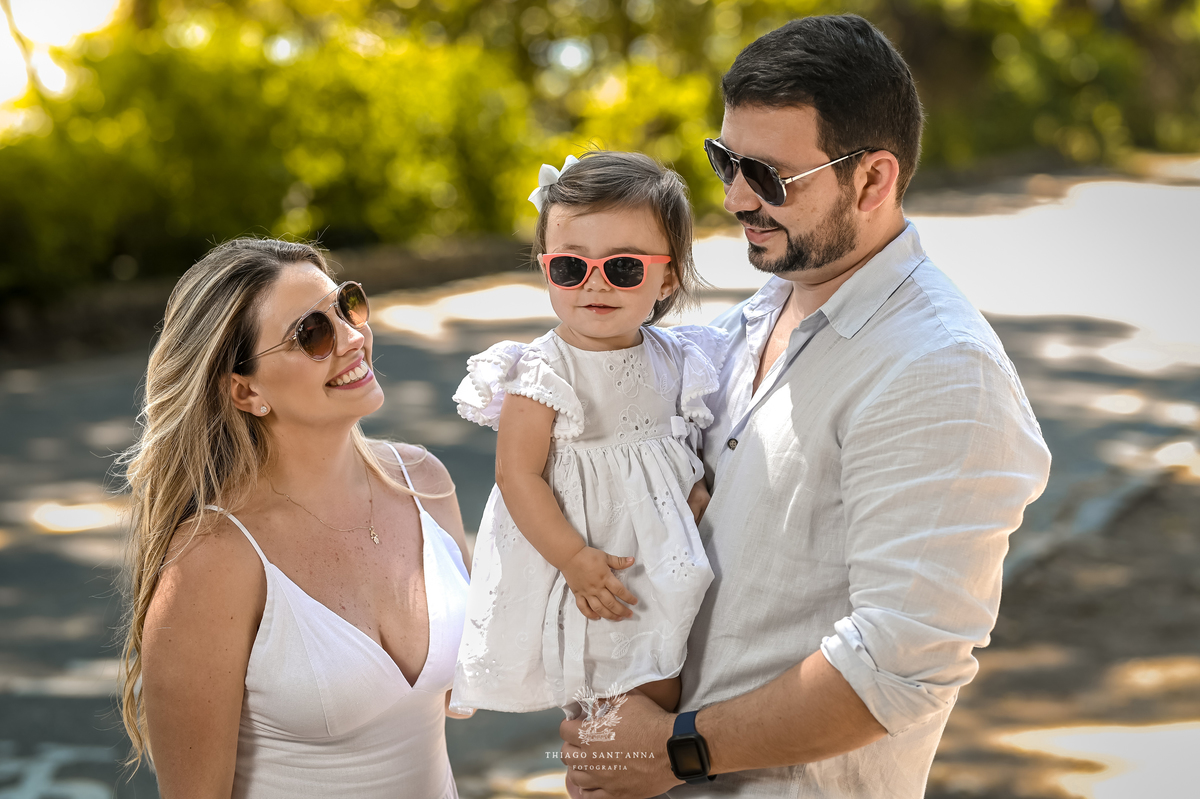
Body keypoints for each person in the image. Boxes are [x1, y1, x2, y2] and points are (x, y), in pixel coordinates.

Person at [559, 15, 1052, 798]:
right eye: (726, 161)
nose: (735, 197)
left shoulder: (941, 370)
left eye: (769, 175)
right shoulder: (748, 320)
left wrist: (671, 749)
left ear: (874, 180)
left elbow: (897, 665)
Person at [116, 238, 471, 798]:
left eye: (346, 306)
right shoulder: (211, 560)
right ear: (245, 390)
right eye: (312, 333)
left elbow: (468, 690)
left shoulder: (423, 482)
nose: (352, 338)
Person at [449, 151, 727, 720]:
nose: (594, 284)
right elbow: (517, 475)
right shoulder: (543, 371)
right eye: (570, 267)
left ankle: (647, 761)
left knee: (665, 680)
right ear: (546, 269)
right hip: (587, 563)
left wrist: (695, 484)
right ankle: (604, 764)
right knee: (604, 694)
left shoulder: (676, 358)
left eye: (623, 268)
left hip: (662, 556)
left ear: (668, 275)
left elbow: (679, 438)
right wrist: (573, 557)